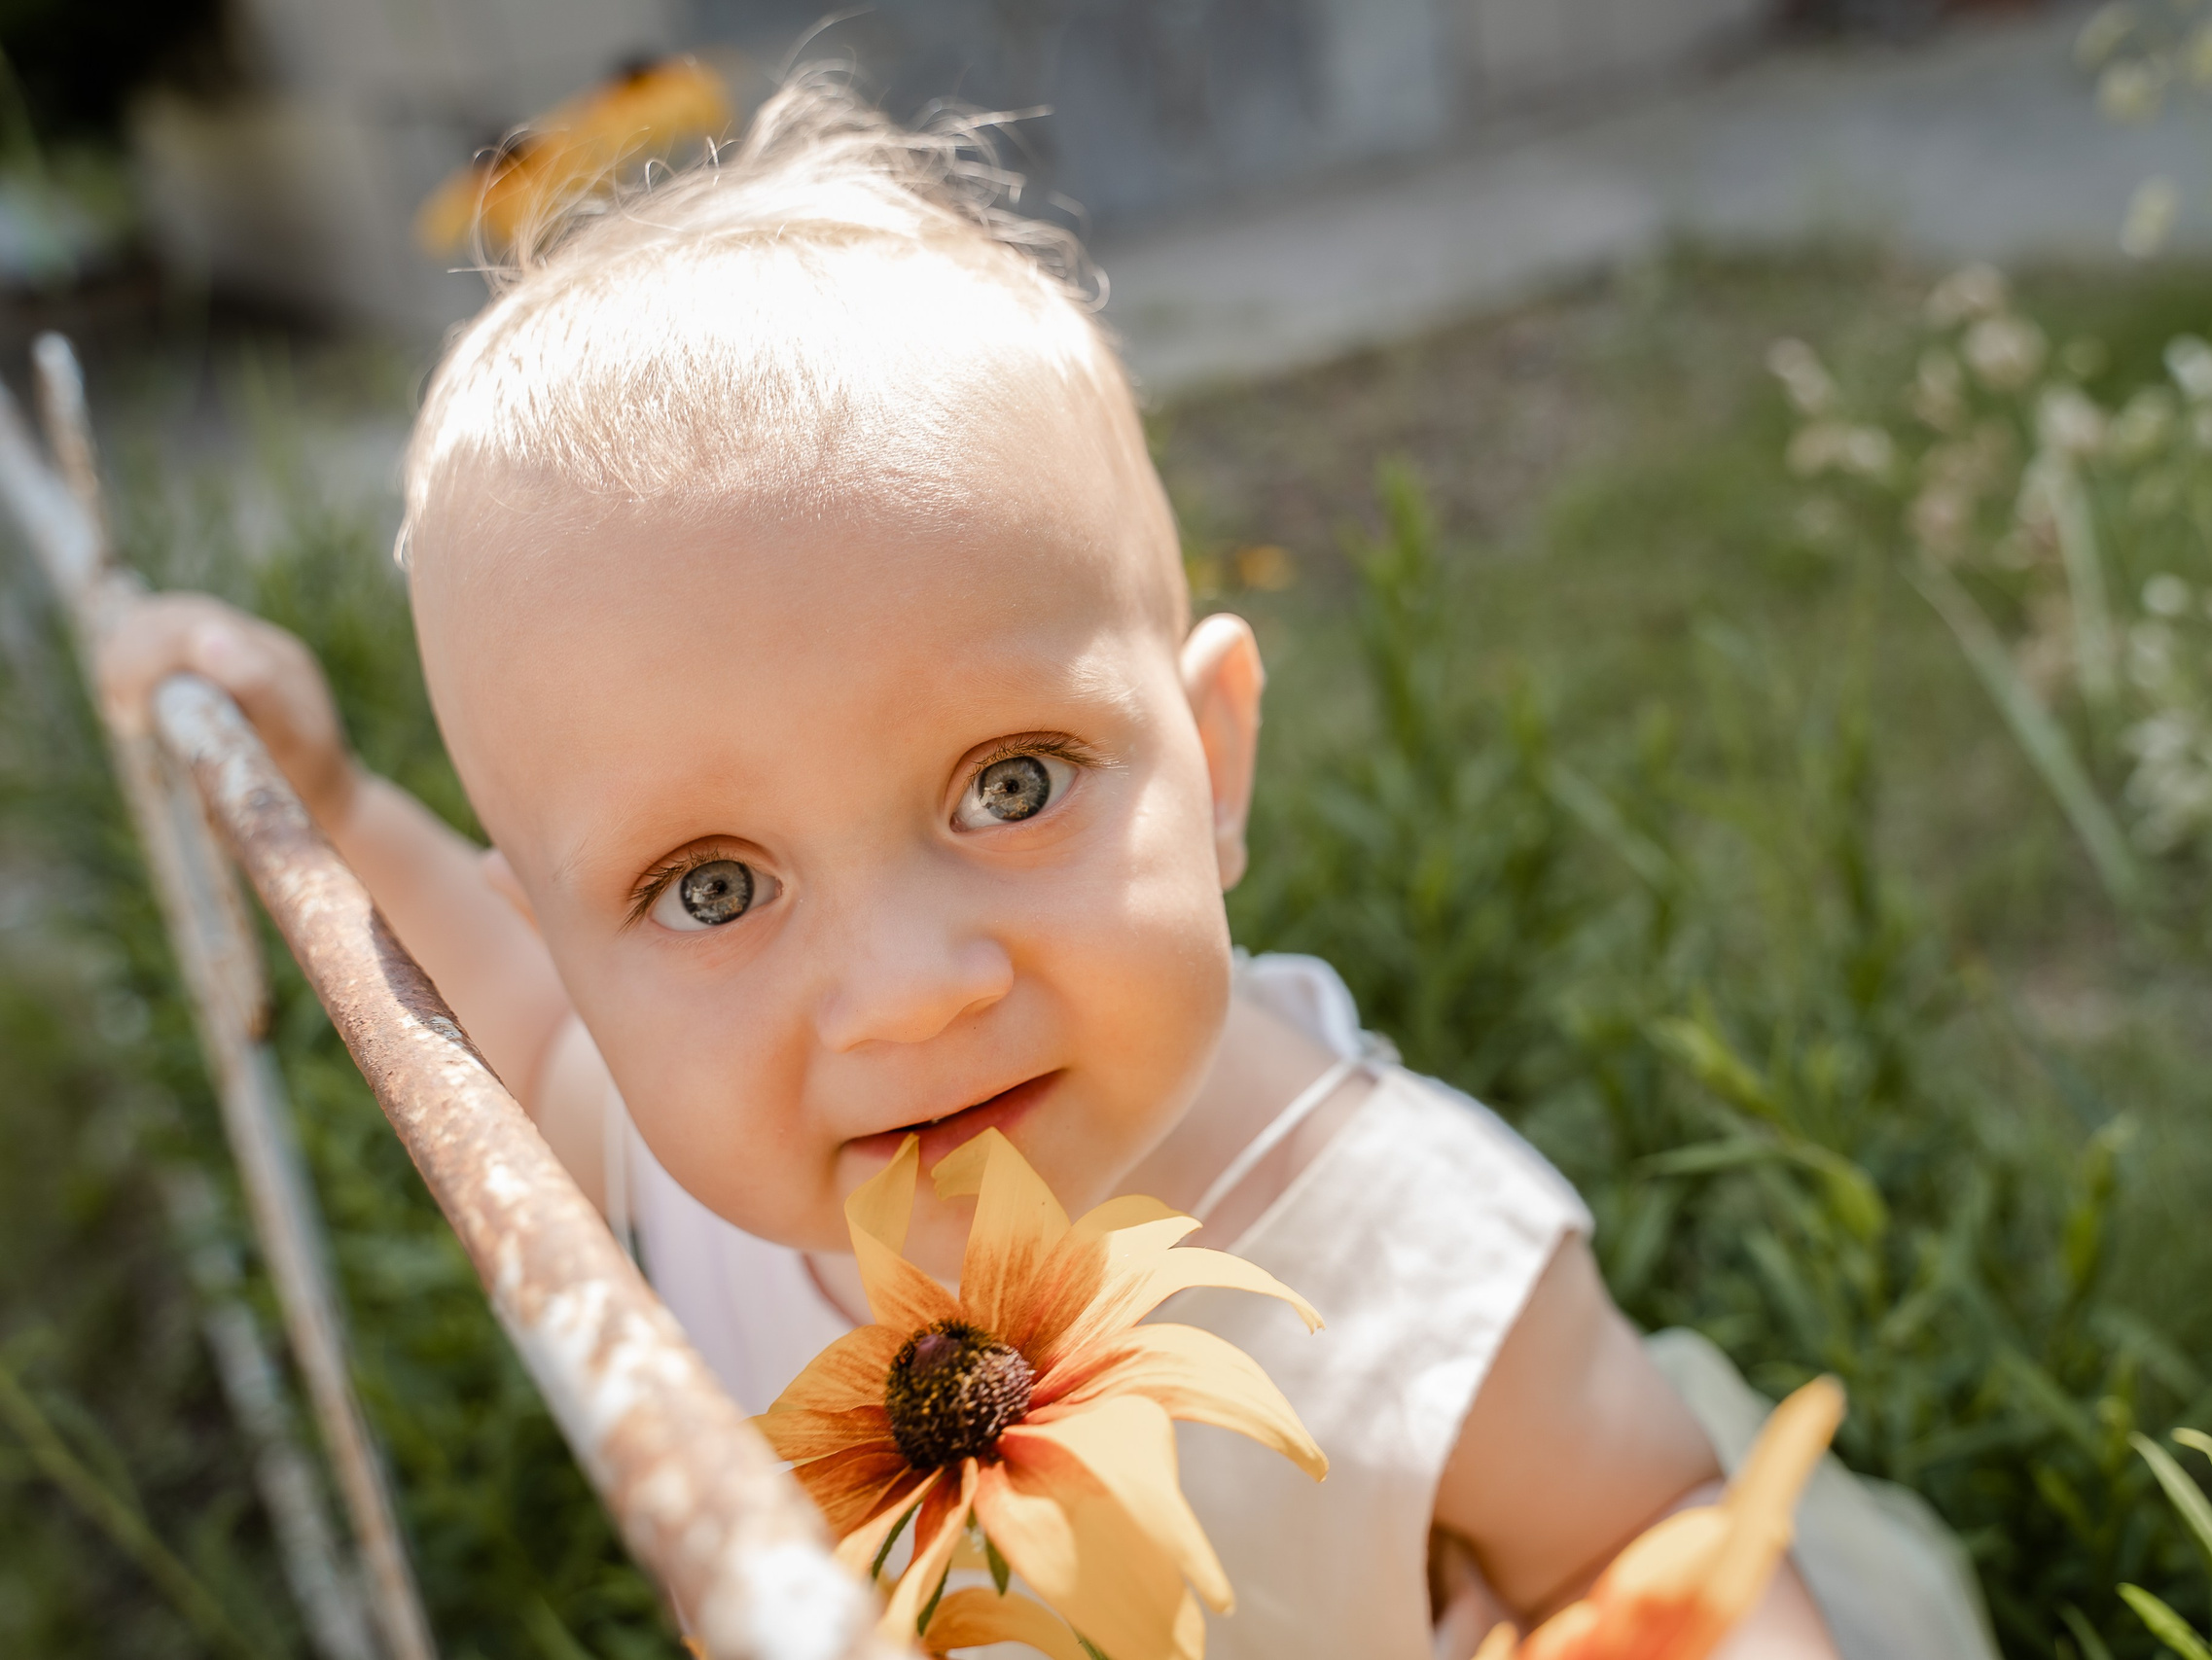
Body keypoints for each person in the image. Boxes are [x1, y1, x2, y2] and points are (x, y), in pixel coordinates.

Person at [100, 76, 1991, 1660]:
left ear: (1214, 755)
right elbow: (497, 1028)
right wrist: (333, 804)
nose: (909, 987)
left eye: (1009, 780)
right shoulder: (701, 1168)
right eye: (707, 885)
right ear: (580, 949)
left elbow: (1644, 1546)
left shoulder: (1399, 1271)